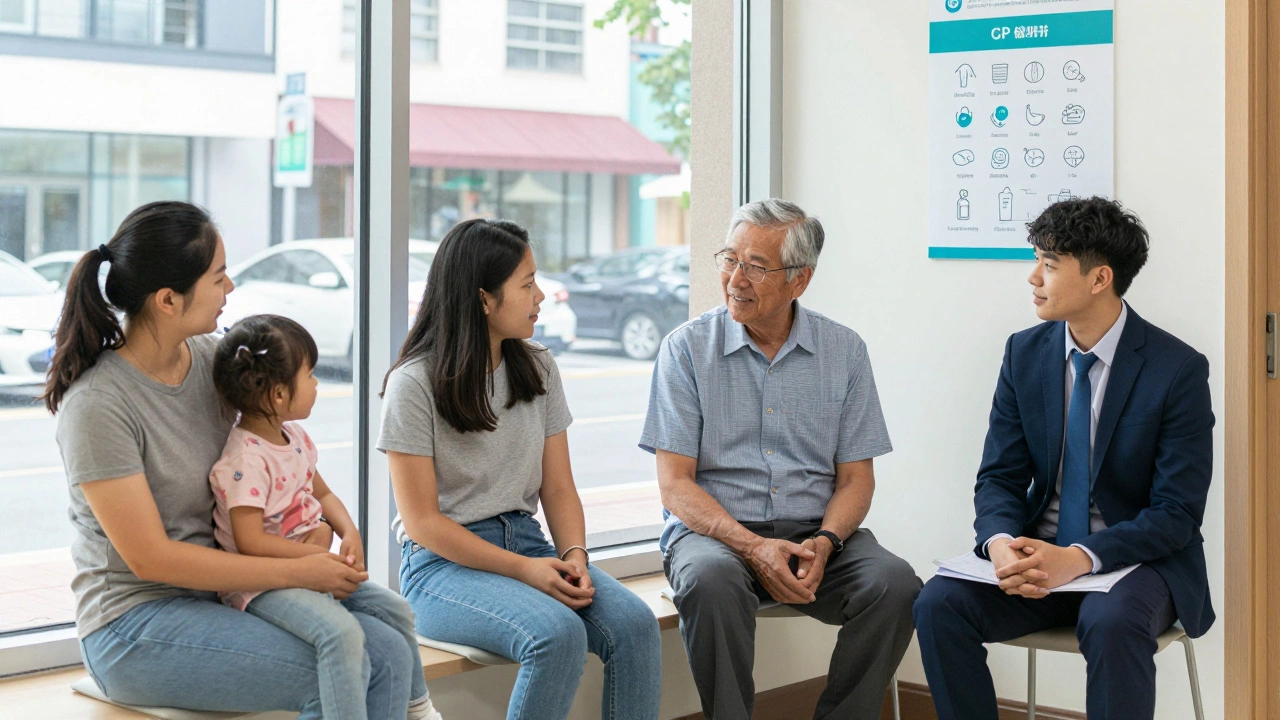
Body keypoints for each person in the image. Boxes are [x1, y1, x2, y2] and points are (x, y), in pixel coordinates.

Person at [48, 201, 418, 718]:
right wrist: (301, 572)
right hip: (134, 624)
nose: (231, 290)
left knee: (391, 648)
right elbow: (150, 559)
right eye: (219, 277)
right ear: (168, 300)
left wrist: (311, 530)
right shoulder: (98, 405)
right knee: (343, 666)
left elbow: (275, 446)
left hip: (223, 593)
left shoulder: (210, 359)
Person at [912, 197, 1216, 720]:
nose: (1033, 277)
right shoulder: (1023, 353)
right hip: (1039, 554)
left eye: (1050, 265)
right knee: (938, 605)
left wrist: (1077, 559)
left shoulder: (1177, 370)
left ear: (1100, 279)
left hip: (1138, 563)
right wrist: (1001, 543)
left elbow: (1177, 513)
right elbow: (999, 477)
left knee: (1111, 620)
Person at [641, 198, 921, 720]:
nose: (735, 278)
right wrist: (753, 547)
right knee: (710, 582)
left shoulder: (844, 351)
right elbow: (675, 486)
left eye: (756, 266)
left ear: (800, 280)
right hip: (716, 536)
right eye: (730, 258)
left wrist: (825, 541)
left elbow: (858, 479)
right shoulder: (686, 350)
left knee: (896, 585)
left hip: (816, 536)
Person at [381, 218, 662, 720]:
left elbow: (558, 488)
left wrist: (573, 554)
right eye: (527, 285)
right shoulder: (414, 383)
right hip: (441, 566)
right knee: (555, 636)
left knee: (636, 626)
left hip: (526, 543)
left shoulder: (538, 366)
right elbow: (422, 523)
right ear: (484, 298)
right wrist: (526, 570)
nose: (542, 297)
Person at [209, 314, 440, 720]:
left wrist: (349, 531)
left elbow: (324, 493)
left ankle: (418, 708)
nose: (316, 384)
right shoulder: (245, 459)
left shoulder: (293, 437)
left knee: (398, 611)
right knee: (342, 633)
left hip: (313, 567)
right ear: (279, 395)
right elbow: (249, 542)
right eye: (310, 374)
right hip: (263, 586)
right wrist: (312, 561)